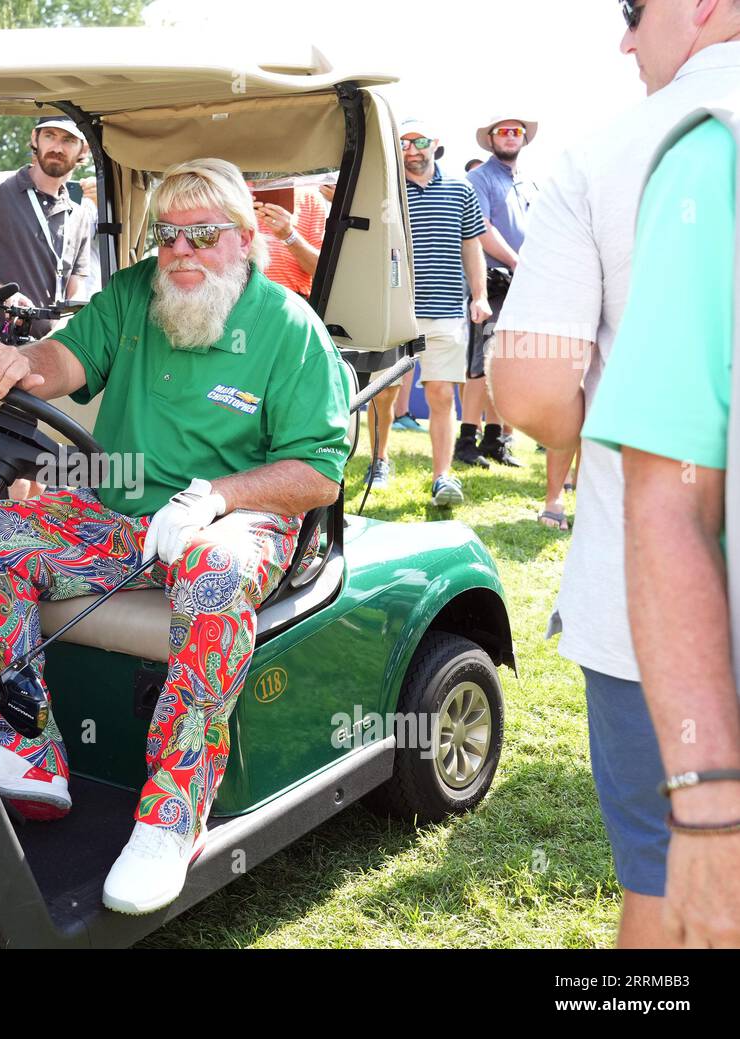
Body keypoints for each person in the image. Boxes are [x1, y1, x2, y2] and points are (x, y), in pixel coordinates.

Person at [0, 157, 350, 915]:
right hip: (124, 520)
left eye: (202, 235)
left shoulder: (287, 327)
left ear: (244, 240)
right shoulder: (137, 295)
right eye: (169, 235)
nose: (181, 252)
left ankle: (172, 812)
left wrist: (215, 498)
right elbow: (62, 362)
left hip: (238, 519)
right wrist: (14, 362)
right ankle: (26, 747)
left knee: (211, 572)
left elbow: (318, 473)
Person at [489, 0, 740, 947]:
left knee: (669, 894)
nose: (625, 39)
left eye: (634, 11)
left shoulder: (616, 153)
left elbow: (528, 389)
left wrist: (630, 424)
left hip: (660, 621)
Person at [583, 103, 740, 948]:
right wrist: (712, 815)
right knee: (666, 892)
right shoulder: (709, 159)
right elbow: (670, 497)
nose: (623, 34)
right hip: (676, 650)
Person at [0, 115, 99, 500]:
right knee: (7, 473)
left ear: (81, 151)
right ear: (35, 138)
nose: (57, 146)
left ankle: (24, 553)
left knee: (41, 477)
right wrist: (2, 294)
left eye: (68, 139)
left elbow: (72, 289)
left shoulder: (82, 214)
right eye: (49, 135)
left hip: (48, 363)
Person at [368, 119, 489, 500]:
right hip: (396, 310)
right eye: (403, 143)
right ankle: (379, 460)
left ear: (434, 144)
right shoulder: (385, 192)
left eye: (418, 142)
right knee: (384, 392)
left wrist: (480, 295)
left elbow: (472, 246)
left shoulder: (460, 189)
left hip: (448, 310)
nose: (411, 150)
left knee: (440, 394)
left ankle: (443, 477)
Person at [460, 118, 539, 473]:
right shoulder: (480, 178)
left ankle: (494, 440)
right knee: (480, 363)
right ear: (490, 139)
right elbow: (481, 229)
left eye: (516, 131)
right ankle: (466, 440)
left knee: (503, 364)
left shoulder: (528, 183)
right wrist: (516, 261)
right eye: (503, 131)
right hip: (491, 282)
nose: (510, 136)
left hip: (522, 285)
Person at [252, 180, 330, 299]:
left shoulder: (310, 198)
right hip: (239, 296)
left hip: (289, 298)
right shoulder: (232, 192)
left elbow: (322, 270)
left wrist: (289, 236)